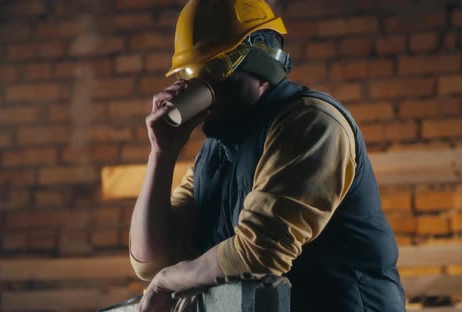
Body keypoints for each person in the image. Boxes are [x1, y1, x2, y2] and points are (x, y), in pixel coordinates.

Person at [129, 0, 406, 311]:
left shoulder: (312, 125)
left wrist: (170, 279)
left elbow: (259, 253)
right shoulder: (216, 152)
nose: (198, 86)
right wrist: (162, 154)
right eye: (189, 73)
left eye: (213, 70)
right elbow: (150, 260)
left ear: (262, 65)